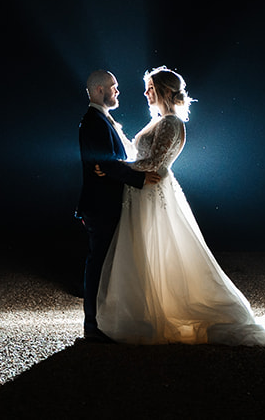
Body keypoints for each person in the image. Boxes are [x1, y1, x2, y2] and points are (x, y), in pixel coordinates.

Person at [96, 66, 265, 346]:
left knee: (159, 249)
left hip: (153, 193)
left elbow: (155, 163)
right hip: (142, 192)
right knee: (145, 251)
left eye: (150, 88)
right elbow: (139, 155)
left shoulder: (171, 123)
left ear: (164, 91)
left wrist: (115, 167)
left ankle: (172, 313)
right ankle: (147, 311)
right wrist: (118, 140)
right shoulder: (159, 121)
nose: (145, 93)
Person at [76, 69, 156, 343]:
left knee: (107, 263)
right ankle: (92, 326)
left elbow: (109, 163)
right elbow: (105, 163)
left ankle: (105, 321)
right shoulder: (93, 122)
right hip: (100, 206)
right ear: (99, 90)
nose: (118, 91)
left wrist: (112, 166)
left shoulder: (101, 120)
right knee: (98, 263)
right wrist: (140, 178)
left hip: (108, 202)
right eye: (114, 87)